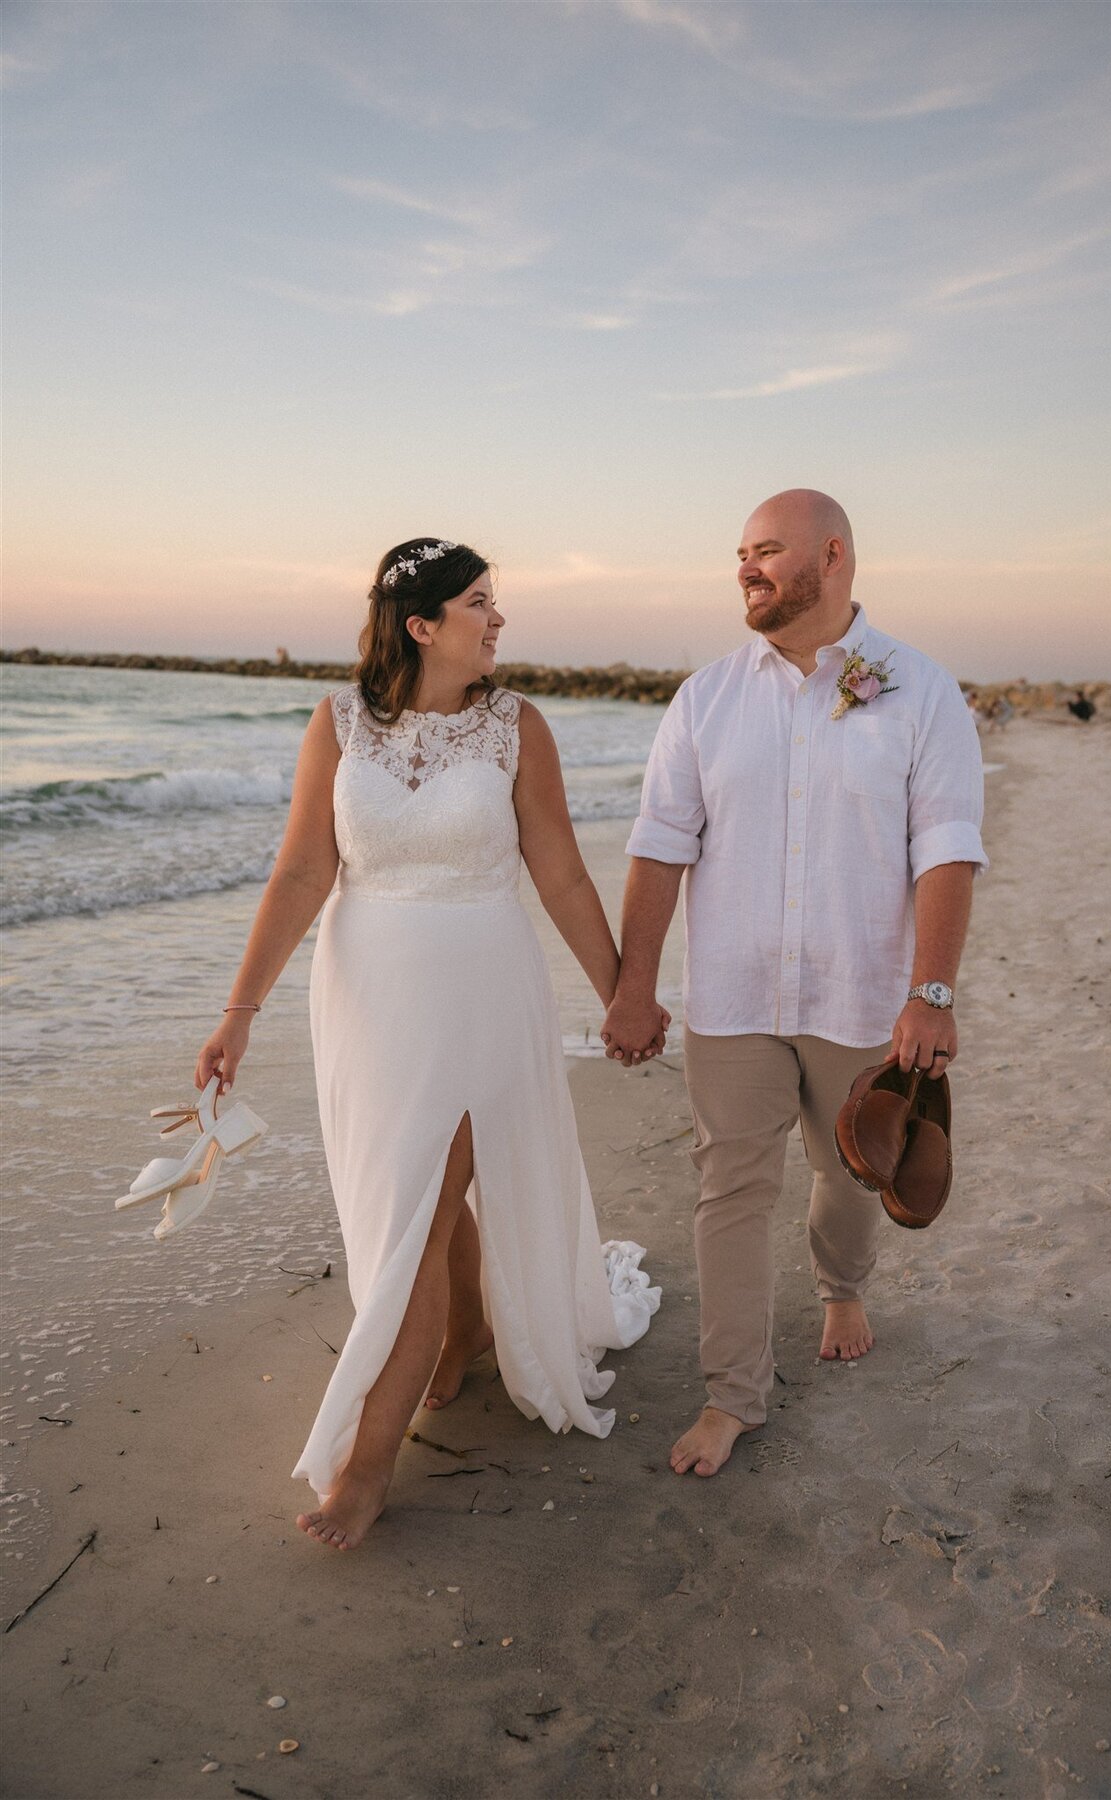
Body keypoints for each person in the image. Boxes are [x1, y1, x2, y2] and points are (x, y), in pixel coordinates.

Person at [195, 539, 663, 1549]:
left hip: (482, 990)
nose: (499, 623)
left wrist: (625, 992)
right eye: (481, 606)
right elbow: (300, 877)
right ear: (423, 624)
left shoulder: (516, 729)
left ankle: (366, 1467)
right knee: (415, 1197)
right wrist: (239, 1014)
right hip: (366, 1000)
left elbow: (565, 876)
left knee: (414, 1209)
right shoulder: (337, 726)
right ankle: (471, 1330)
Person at [601, 489, 987, 1479]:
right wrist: (634, 986)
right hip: (731, 996)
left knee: (850, 1170)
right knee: (728, 1186)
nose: (745, 568)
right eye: (739, 552)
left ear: (834, 556)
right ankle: (733, 1396)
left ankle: (841, 1282)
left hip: (861, 993)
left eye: (767, 551)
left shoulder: (922, 690)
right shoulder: (706, 699)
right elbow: (659, 847)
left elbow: (946, 848)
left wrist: (930, 993)